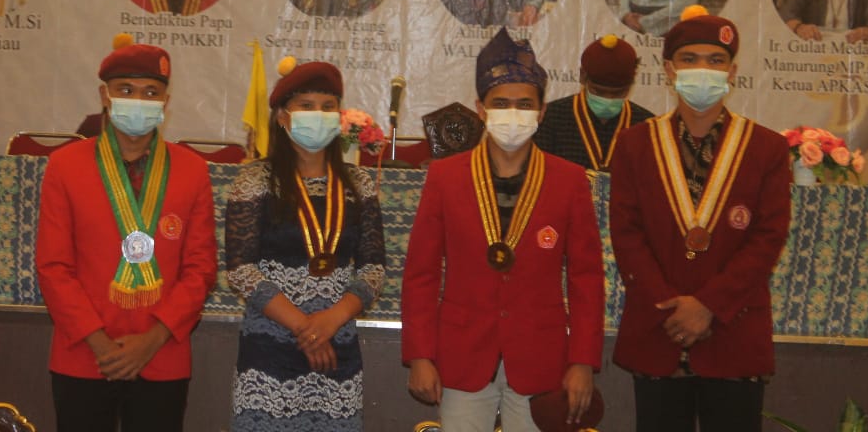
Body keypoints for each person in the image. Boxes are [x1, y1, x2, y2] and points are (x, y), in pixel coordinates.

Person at [402, 30, 605, 432]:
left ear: (541, 111)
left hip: (540, 357)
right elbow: (421, 274)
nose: (513, 113)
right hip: (462, 355)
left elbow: (586, 279)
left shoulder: (569, 181)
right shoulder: (445, 177)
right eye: (501, 103)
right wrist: (420, 355)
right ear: (481, 108)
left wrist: (583, 361)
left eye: (524, 104)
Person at [609, 5, 792, 432]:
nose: (703, 70)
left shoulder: (766, 148)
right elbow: (627, 235)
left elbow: (768, 238)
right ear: (669, 70)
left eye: (715, 60)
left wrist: (709, 305)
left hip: (733, 330)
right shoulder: (635, 144)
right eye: (689, 59)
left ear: (732, 72)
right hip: (659, 330)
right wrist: (671, 310)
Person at [36, 34, 218, 432]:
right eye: (126, 90)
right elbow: (53, 266)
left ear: (166, 101)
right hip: (84, 355)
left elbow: (201, 269)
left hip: (162, 354)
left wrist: (152, 339)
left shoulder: (192, 170)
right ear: (105, 95)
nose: (139, 100)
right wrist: (99, 342)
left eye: (151, 92)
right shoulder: (65, 166)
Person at [225, 57, 385, 430]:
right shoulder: (254, 180)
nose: (319, 114)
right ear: (283, 117)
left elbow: (374, 268)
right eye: (307, 106)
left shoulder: (359, 184)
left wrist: (331, 320)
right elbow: (240, 269)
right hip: (269, 349)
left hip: (337, 346)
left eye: (328, 107)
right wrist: (306, 328)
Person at [534, 34, 654, 172]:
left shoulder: (646, 126)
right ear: (582, 76)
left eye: (618, 93)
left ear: (631, 83)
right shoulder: (551, 118)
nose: (608, 99)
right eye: (599, 91)